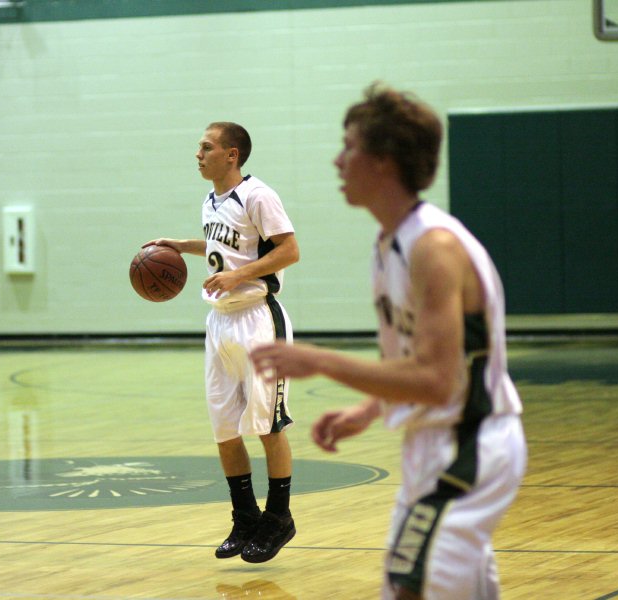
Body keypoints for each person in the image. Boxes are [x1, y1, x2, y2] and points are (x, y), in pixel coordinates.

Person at [250, 83, 527, 599]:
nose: (337, 160)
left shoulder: (433, 247)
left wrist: (321, 361)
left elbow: (440, 379)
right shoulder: (389, 243)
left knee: (408, 590)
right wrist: (371, 408)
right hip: (431, 445)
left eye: (349, 147)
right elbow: (415, 365)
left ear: (383, 162)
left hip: (471, 444)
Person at [144, 122, 300, 563]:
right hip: (221, 322)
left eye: (206, 147)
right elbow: (222, 247)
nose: (198, 154)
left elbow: (289, 250)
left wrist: (238, 275)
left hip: (259, 321)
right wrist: (180, 244)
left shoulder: (258, 195)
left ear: (231, 155)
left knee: (268, 425)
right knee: (225, 430)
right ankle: (246, 516)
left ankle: (280, 517)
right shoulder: (211, 199)